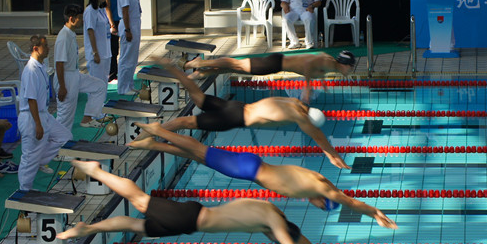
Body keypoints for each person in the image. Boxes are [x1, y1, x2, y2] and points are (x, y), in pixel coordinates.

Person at [57, 160, 348, 244]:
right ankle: (97, 171)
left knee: (140, 227)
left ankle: (88, 228)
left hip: (191, 220)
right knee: (141, 201)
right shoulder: (272, 222)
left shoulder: (272, 212)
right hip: (191, 218)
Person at [129, 123, 397, 230]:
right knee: (199, 150)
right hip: (247, 170)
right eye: (322, 207)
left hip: (252, 166)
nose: (317, 206)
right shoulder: (322, 190)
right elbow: (350, 201)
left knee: (198, 156)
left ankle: (151, 144)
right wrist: (375, 213)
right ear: (323, 202)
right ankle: (156, 130)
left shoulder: (318, 180)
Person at [144, 61, 349, 169]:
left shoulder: (294, 103)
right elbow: (317, 135)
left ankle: (173, 69)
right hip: (235, 118)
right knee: (184, 122)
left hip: (237, 106)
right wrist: (332, 154)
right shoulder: (299, 117)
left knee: (197, 97)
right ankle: (147, 135)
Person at [18, 36, 72, 191]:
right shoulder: (30, 70)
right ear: (36, 49)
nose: (48, 49)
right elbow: (31, 100)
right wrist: (38, 124)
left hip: (43, 113)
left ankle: (41, 160)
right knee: (29, 157)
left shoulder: (41, 66)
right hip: (31, 116)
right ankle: (24, 191)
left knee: (64, 136)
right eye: (45, 46)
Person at [54, 4, 107, 130]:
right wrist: (62, 86)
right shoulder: (63, 37)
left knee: (99, 86)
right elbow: (59, 63)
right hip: (66, 78)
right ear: (72, 19)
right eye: (79, 18)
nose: (82, 21)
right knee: (65, 116)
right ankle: (57, 141)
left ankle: (88, 118)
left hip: (74, 74)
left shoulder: (71, 33)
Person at [174, 51, 355, 82]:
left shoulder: (331, 63)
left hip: (276, 63)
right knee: (236, 64)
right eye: (351, 67)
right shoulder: (329, 63)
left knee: (233, 69)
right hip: (274, 63)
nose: (351, 70)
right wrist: (307, 88)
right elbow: (308, 65)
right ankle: (201, 63)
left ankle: (200, 73)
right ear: (344, 64)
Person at [117, 0, 142, 95]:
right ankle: (123, 88)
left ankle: (129, 85)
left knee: (132, 59)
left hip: (134, 25)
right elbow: (125, 11)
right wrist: (127, 30)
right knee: (126, 59)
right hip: (129, 26)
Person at [84, 0, 112, 85]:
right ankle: (95, 101)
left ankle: (102, 101)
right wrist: (95, 52)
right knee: (96, 83)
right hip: (97, 54)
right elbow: (90, 32)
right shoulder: (90, 11)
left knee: (104, 81)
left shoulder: (102, 9)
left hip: (106, 52)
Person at [101, 0, 120, 82]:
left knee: (115, 48)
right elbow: (107, 7)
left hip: (116, 20)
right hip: (112, 21)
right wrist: (112, 23)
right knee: (112, 48)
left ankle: (114, 72)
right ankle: (111, 74)